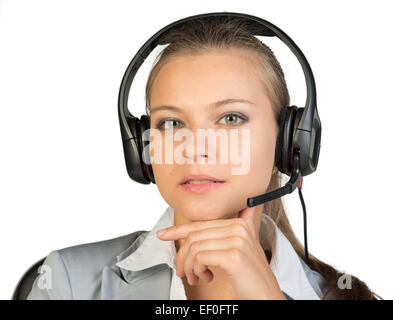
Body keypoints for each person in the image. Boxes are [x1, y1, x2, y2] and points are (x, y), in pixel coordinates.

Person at [26, 17, 380, 300]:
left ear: (288, 144)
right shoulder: (67, 283)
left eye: (231, 118)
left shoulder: (343, 295)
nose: (194, 147)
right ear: (143, 149)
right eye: (171, 122)